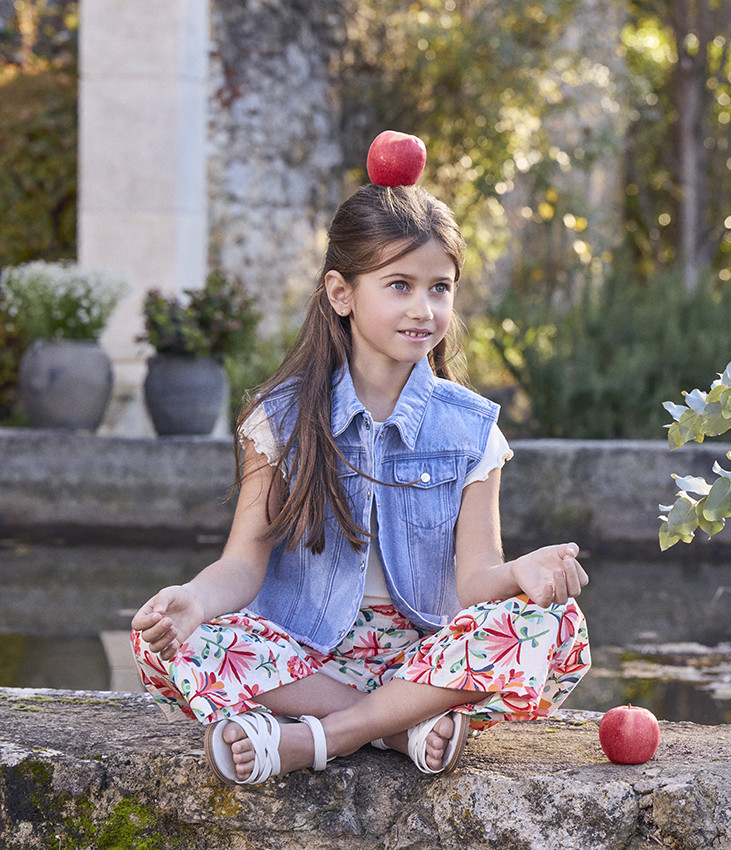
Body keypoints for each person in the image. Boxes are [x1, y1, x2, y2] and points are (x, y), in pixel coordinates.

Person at [131, 173, 591, 786]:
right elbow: (243, 566)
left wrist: (520, 574)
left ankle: (320, 739)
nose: (423, 309)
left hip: (423, 660)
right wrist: (194, 599)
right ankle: (399, 729)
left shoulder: (473, 431)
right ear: (341, 293)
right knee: (163, 641)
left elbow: (477, 583)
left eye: (440, 288)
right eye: (399, 285)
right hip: (308, 659)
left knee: (553, 623)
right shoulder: (282, 418)